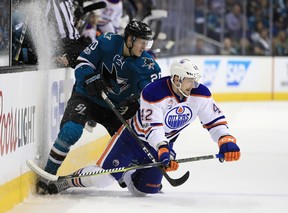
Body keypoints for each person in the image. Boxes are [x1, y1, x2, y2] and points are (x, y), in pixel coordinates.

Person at [44, 58, 241, 196]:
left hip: (161, 146)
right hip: (132, 140)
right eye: (190, 80)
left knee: (144, 190)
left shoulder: (201, 94)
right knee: (102, 179)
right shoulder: (153, 92)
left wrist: (225, 140)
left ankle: (128, 172)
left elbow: (215, 121)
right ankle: (67, 181)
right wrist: (164, 150)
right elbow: (152, 128)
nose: (194, 84)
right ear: (177, 79)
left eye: (195, 79)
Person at [37, 19, 161, 194]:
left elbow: (151, 98)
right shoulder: (108, 41)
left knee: (134, 147)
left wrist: (136, 103)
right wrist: (90, 77)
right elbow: (82, 62)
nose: (144, 47)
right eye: (142, 42)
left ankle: (137, 178)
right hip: (86, 97)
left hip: (116, 110)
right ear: (130, 39)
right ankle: (47, 175)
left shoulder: (148, 66)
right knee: (70, 131)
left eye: (147, 43)